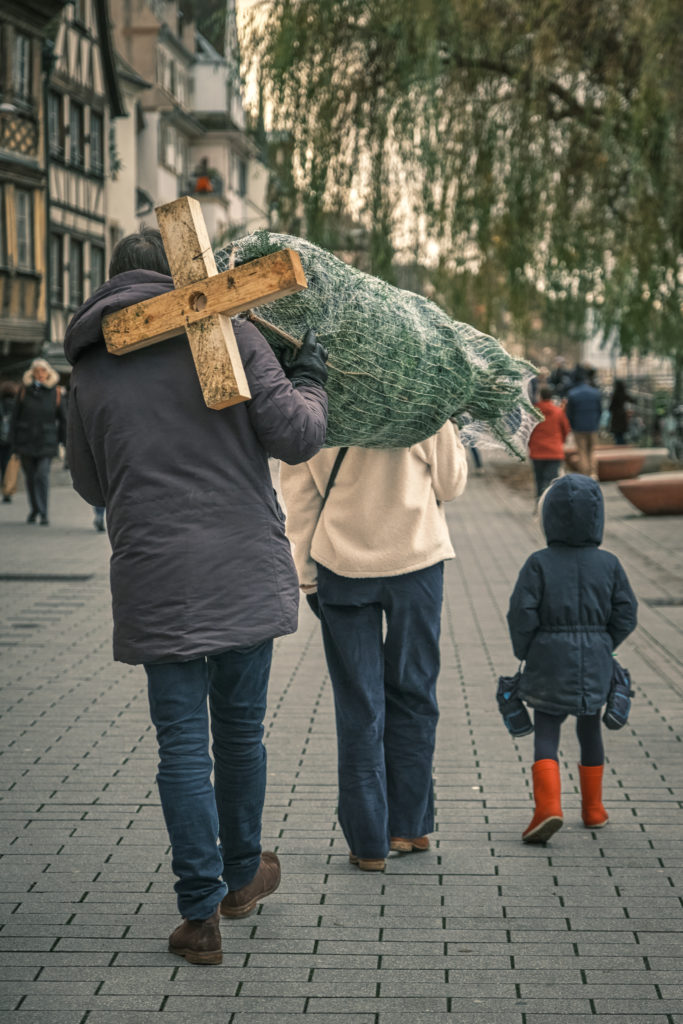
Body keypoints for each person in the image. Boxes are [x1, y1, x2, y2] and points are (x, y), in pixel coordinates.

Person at [63, 227, 328, 964]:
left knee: (180, 743)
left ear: (115, 284)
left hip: (155, 575)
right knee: (239, 735)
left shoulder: (90, 366)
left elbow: (88, 483)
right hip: (240, 565)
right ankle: (241, 879)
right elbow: (296, 435)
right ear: (185, 272)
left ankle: (199, 915)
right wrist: (309, 378)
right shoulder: (229, 333)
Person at [280, 422, 469, 871]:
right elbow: (451, 484)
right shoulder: (422, 395)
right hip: (416, 562)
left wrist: (306, 574)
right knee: (415, 693)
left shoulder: (317, 403)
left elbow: (301, 499)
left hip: (340, 563)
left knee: (359, 704)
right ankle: (408, 825)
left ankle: (368, 843)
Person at [506, 474, 637, 844]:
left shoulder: (538, 563)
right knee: (589, 727)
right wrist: (604, 642)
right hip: (596, 659)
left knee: (547, 729)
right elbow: (626, 612)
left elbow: (521, 612)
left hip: (548, 657)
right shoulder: (609, 564)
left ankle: (547, 808)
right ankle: (593, 810)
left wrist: (525, 649)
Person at [10, 358, 66, 525]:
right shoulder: (24, 391)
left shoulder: (55, 392)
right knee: (30, 477)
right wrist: (13, 443)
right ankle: (34, 509)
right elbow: (14, 418)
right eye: (37, 371)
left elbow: (64, 419)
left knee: (42, 475)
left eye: (43, 371)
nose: (40, 374)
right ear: (32, 374)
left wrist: (65, 441)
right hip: (25, 440)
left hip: (47, 441)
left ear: (48, 373)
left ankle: (43, 512)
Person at [528, 385, 571, 498]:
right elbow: (566, 429)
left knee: (539, 481)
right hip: (554, 451)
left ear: (540, 396)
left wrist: (530, 444)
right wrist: (560, 442)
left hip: (537, 451)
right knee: (552, 482)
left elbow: (527, 431)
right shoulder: (558, 412)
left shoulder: (534, 412)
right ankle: (549, 507)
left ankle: (538, 506)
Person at [566, 366, 602, 477]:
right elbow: (600, 410)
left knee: (581, 451)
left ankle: (584, 474)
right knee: (592, 451)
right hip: (592, 425)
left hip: (578, 426)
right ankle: (593, 473)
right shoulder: (595, 392)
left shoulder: (572, 393)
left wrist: (572, 425)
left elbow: (569, 413)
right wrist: (596, 423)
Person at [1, 380, 18, 502]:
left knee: (2, 465)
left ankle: (4, 484)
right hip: (12, 439)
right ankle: (8, 489)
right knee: (10, 465)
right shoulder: (17, 404)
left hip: (1, 439)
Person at [608, 380, 633, 445]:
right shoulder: (624, 394)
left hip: (616, 415)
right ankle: (622, 444)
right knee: (621, 432)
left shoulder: (615, 395)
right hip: (622, 415)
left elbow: (611, 407)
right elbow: (632, 400)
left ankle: (619, 444)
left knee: (617, 433)